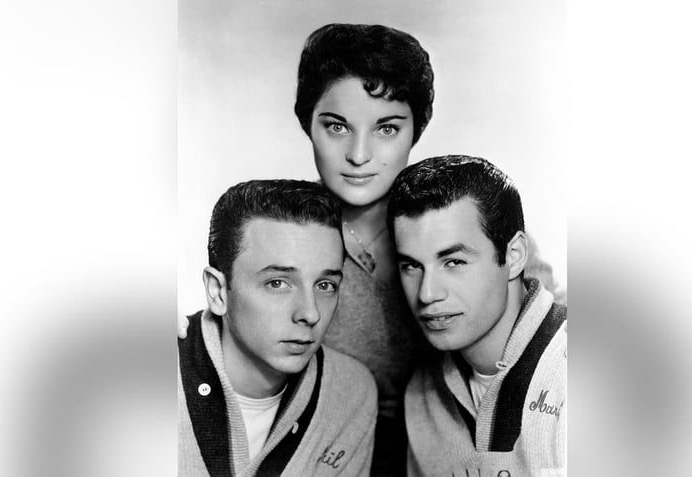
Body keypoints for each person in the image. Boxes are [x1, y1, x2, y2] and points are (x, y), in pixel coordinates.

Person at [181, 23, 565, 475]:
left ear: (415, 132)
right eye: (337, 126)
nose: (360, 154)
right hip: (328, 450)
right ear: (308, 125)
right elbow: (237, 310)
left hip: (454, 447)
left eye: (386, 128)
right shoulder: (292, 232)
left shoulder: (460, 222)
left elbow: (548, 344)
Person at [178, 180, 377, 476]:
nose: (310, 313)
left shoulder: (350, 391)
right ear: (219, 291)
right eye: (277, 283)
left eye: (325, 285)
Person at [388, 156, 567, 477]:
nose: (427, 294)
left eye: (453, 262)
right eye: (411, 266)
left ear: (514, 257)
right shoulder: (421, 393)